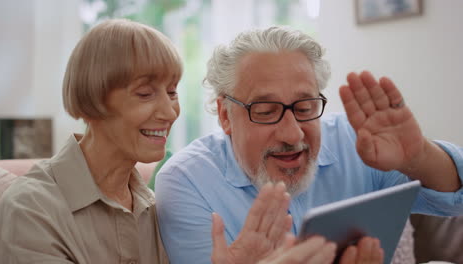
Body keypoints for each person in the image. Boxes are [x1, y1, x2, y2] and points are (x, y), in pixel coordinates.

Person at [0, 19, 339, 264]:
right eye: (145, 93)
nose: (169, 111)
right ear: (92, 100)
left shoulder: (155, 207)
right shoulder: (32, 209)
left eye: (172, 92)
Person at [155, 26, 463, 264]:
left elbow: (453, 200)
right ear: (225, 115)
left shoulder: (358, 140)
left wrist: (419, 156)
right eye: (266, 112)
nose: (292, 135)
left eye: (304, 108)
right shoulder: (186, 181)